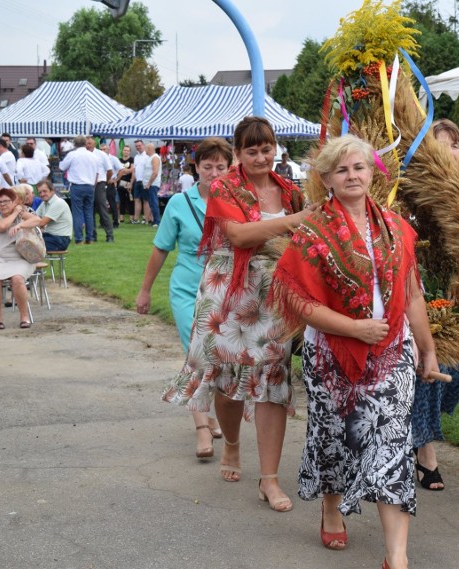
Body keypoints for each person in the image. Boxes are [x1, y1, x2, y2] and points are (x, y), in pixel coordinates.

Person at [272, 134, 439, 569]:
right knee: (333, 438)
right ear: (327, 178)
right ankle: (331, 507)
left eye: (359, 167)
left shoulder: (396, 227)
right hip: (331, 356)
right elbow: (299, 300)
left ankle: (396, 556)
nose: (352, 176)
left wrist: (429, 351)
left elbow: (412, 295)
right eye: (342, 169)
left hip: (393, 354)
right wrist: (353, 328)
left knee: (391, 444)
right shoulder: (312, 231)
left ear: (372, 173)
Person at [162, 117, 313, 516]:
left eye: (267, 149)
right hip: (229, 290)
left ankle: (269, 479)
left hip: (275, 294)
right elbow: (239, 236)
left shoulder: (289, 191)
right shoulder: (226, 186)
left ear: (276, 148)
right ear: (239, 153)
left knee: (273, 378)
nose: (261, 157)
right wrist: (300, 220)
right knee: (227, 377)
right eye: (252, 150)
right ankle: (231, 443)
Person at [137, 138, 233, 460]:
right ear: (196, 168)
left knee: (219, 357)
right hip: (186, 290)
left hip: (224, 290)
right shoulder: (179, 203)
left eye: (221, 166)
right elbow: (160, 248)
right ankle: (201, 429)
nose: (214, 172)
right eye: (208, 166)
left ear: (230, 168)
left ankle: (212, 414)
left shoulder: (238, 202)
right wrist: (145, 289)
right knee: (195, 353)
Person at [410, 118, 459, 492]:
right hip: (413, 296)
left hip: (450, 300)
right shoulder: (412, 192)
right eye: (442, 144)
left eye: (455, 145)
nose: (450, 152)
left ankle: (415, 433)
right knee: (429, 369)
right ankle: (425, 452)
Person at [0, 187, 42, 329]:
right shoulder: (1, 217)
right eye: (0, 202)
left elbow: (38, 221)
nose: (3, 204)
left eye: (6, 201)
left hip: (21, 258)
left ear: (13, 202)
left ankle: (24, 316)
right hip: (0, 259)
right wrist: (16, 212)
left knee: (17, 278)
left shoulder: (22, 215)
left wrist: (21, 224)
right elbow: (3, 226)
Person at [59, 135, 99, 245]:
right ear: (85, 143)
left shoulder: (72, 155)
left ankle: (79, 238)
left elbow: (62, 167)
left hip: (77, 185)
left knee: (77, 212)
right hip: (90, 186)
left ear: (75, 144)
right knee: (89, 212)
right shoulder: (93, 156)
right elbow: (97, 171)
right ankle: (90, 238)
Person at [34, 180, 73, 252]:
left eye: (44, 191)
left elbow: (41, 223)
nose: (42, 194)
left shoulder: (58, 203)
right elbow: (34, 217)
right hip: (50, 236)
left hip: (60, 239)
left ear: (52, 191)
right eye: (40, 192)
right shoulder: (44, 203)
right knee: (26, 243)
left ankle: (36, 263)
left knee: (29, 246)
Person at [101, 143, 122, 229]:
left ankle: (115, 222)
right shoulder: (98, 158)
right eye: (101, 149)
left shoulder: (113, 159)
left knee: (112, 203)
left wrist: (115, 180)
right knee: (101, 204)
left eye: (104, 149)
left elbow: (121, 170)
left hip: (110, 183)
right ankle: (103, 222)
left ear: (108, 150)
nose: (102, 151)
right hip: (101, 183)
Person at [130, 140, 151, 224]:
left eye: (139, 145)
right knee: (137, 199)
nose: (138, 147)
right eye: (136, 146)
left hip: (145, 180)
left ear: (143, 145)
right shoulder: (136, 157)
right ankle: (136, 219)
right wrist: (131, 182)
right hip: (137, 180)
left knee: (146, 200)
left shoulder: (147, 156)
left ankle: (146, 219)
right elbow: (134, 171)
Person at [142, 143, 162, 227]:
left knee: (153, 203)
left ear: (150, 149)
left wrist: (149, 183)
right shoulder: (150, 158)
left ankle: (157, 221)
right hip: (148, 184)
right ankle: (152, 219)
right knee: (150, 202)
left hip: (153, 184)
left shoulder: (155, 158)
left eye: (146, 149)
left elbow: (155, 172)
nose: (145, 151)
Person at [116, 146, 134, 224]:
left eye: (128, 150)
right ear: (122, 151)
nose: (126, 152)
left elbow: (132, 170)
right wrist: (126, 171)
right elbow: (117, 171)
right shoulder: (119, 160)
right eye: (125, 150)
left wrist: (122, 171)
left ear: (130, 152)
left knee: (130, 200)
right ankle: (121, 218)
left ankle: (131, 218)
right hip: (120, 183)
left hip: (129, 183)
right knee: (121, 201)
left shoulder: (132, 160)